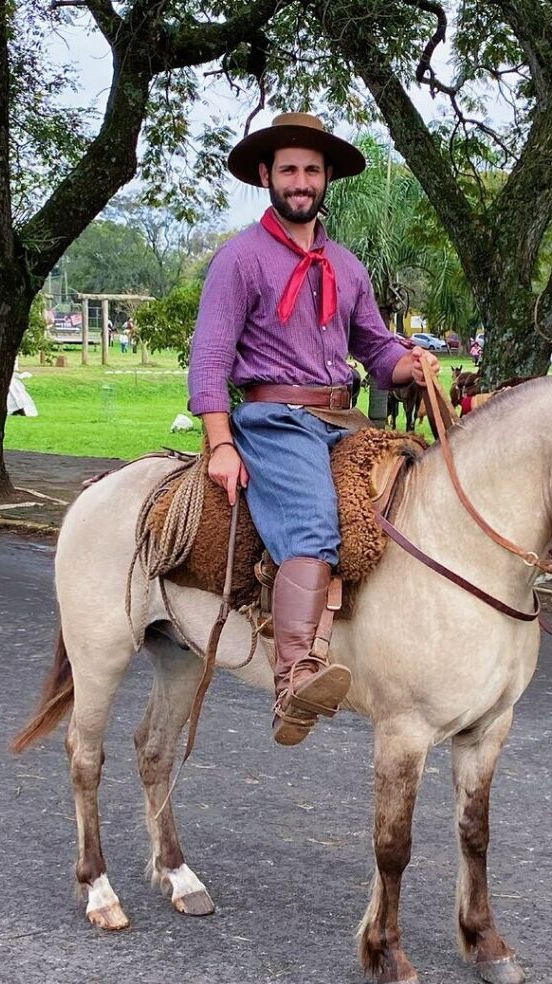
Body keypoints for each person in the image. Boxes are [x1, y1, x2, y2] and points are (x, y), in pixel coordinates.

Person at [187, 111, 439, 746]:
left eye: (312, 170)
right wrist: (221, 443)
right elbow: (210, 360)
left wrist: (412, 364)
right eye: (289, 169)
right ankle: (294, 676)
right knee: (314, 521)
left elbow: (377, 350)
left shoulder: (347, 267)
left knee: (415, 491)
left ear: (326, 180)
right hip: (274, 418)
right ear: (267, 176)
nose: (301, 181)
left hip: (342, 416)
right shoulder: (238, 260)